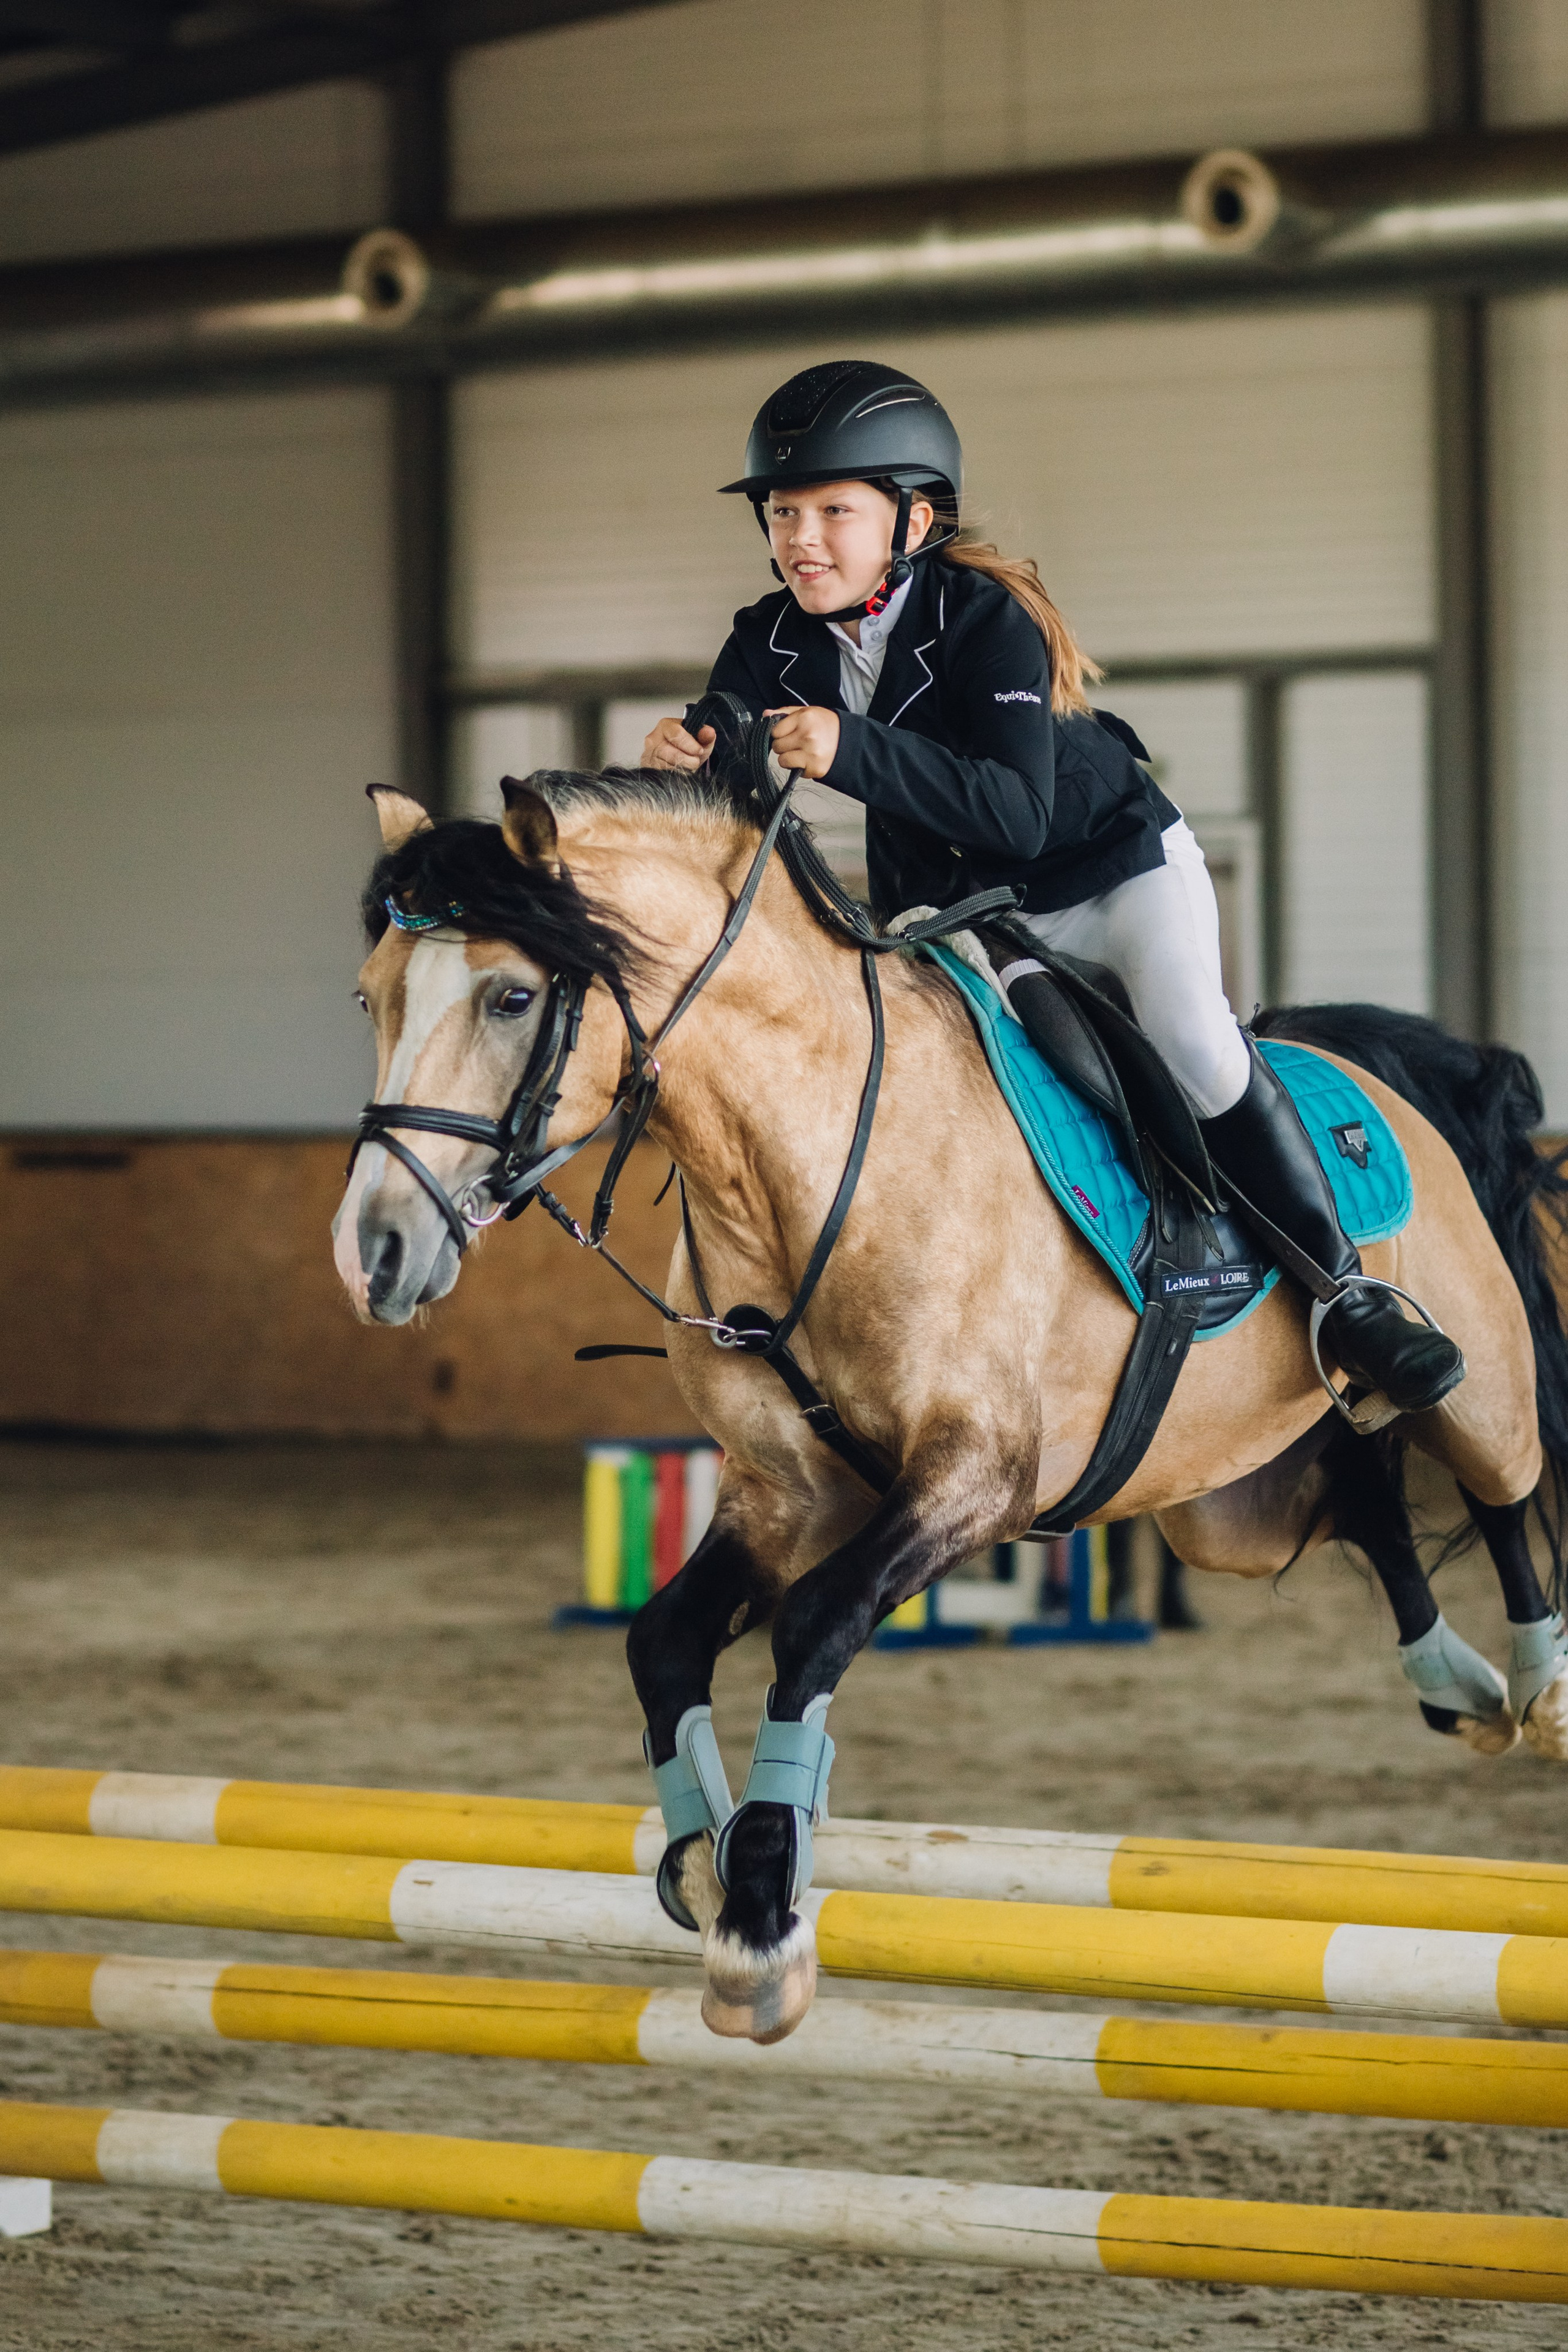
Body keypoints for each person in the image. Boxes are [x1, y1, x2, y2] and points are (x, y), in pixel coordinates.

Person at [642, 359, 1462, 1415]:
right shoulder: (769, 637)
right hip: (964, 911)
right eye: (783, 511)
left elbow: (1014, 816)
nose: (800, 538)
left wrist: (850, 749)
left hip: (1109, 873)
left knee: (1193, 1038)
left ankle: (1348, 1298)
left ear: (914, 517)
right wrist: (686, 762)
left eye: (834, 511)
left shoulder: (985, 619)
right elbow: (732, 754)